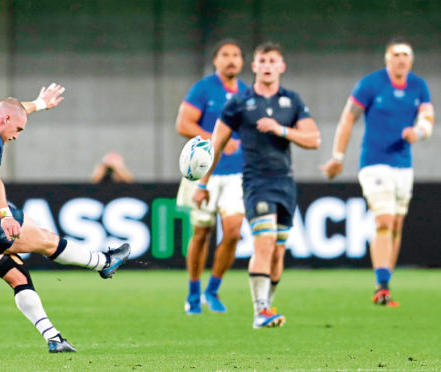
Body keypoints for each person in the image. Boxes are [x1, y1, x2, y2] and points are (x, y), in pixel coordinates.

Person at [0, 83, 131, 353]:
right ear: (5, 120)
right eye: (18, 130)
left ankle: (53, 338)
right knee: (46, 240)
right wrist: (4, 214)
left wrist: (39, 104)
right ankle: (104, 262)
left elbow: (15, 109)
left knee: (18, 277)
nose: (17, 136)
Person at [194, 42, 320, 328]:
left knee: (277, 251)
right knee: (263, 243)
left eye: (272, 60)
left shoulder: (293, 101)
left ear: (281, 66)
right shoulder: (239, 103)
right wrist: (203, 183)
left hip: (285, 183)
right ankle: (259, 311)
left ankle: (267, 305)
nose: (266, 65)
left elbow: (314, 139)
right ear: (254, 66)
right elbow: (217, 144)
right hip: (255, 182)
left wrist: (282, 130)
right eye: (262, 60)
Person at [320, 37, 434, 307]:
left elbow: (428, 119)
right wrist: (338, 155)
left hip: (403, 166)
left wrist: (417, 131)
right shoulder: (370, 84)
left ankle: (384, 285)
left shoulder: (419, 86)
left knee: (395, 225)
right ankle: (381, 286)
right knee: (383, 221)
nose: (401, 59)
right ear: (387, 58)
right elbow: (348, 117)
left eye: (406, 54)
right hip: (374, 163)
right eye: (396, 54)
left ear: (411, 59)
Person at [175, 39, 248, 315]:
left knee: (233, 232)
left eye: (236, 55)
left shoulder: (246, 93)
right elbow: (183, 124)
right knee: (202, 232)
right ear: (215, 60)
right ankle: (193, 293)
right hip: (204, 172)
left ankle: (213, 290)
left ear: (242, 62)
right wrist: (216, 140)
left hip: (237, 174)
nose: (231, 59)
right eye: (225, 55)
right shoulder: (204, 88)